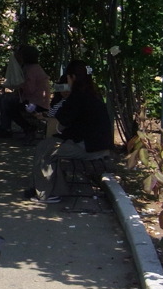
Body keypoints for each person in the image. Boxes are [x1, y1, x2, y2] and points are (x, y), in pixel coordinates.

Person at [26, 60, 113, 204]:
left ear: (72, 77)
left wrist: (48, 117)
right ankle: (50, 189)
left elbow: (62, 121)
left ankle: (44, 193)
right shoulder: (91, 94)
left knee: (46, 150)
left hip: (90, 148)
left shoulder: (78, 96)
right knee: (47, 145)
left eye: (67, 78)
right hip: (94, 145)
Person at [0, 45, 51, 141]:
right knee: (4, 99)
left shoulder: (31, 70)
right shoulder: (30, 67)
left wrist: (17, 86)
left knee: (9, 105)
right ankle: (5, 126)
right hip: (32, 102)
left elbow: (29, 89)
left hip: (35, 105)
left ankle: (27, 128)